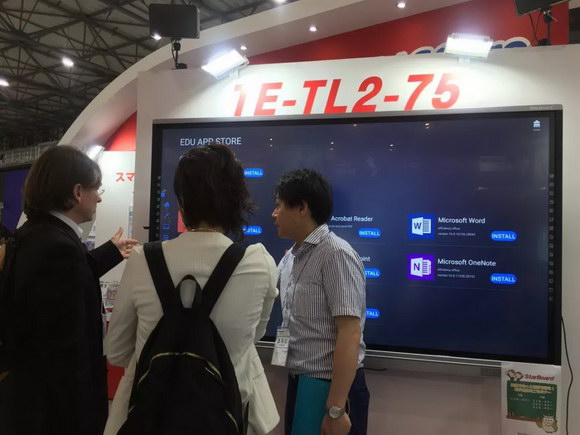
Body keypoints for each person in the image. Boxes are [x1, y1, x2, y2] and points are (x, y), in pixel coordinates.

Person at [105, 143, 280, 435]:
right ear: (237, 201)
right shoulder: (259, 262)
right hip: (226, 419)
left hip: (149, 418)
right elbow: (255, 335)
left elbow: (117, 351)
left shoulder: (143, 259)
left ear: (182, 201)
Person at [0, 145, 137, 435]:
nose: (99, 197)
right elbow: (64, 349)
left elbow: (67, 283)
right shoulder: (58, 248)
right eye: (96, 188)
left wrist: (110, 252)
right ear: (77, 192)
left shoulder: (36, 235)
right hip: (56, 412)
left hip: (29, 401)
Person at [271, 168, 369, 435]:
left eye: (279, 206)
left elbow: (350, 332)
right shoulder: (290, 257)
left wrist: (336, 409)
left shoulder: (336, 254)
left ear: (302, 208)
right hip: (300, 381)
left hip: (330, 388)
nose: (274, 214)